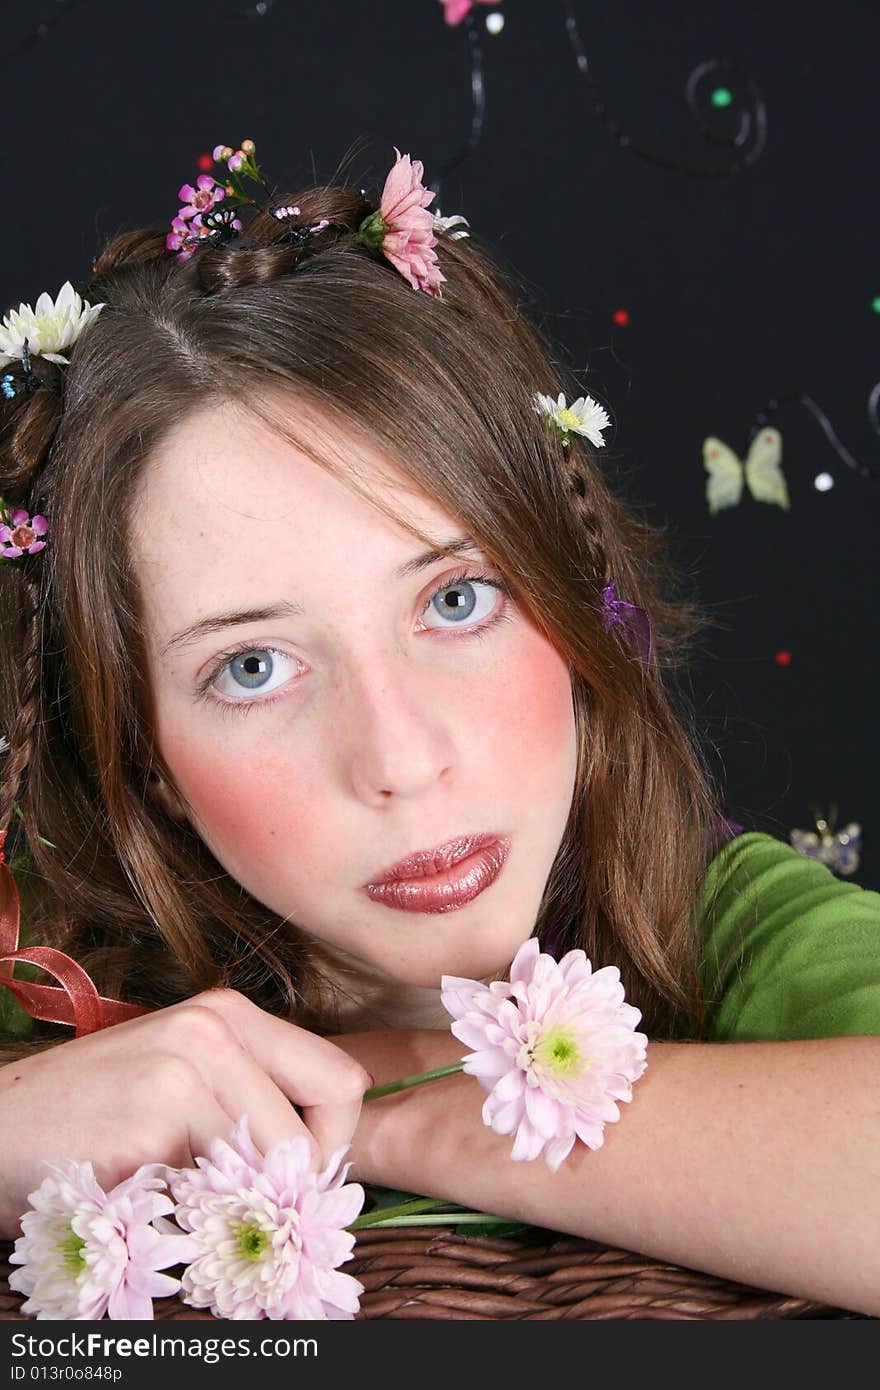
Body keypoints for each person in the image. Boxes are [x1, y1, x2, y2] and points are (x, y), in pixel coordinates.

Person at [0, 142, 878, 1318]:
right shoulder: (38, 965)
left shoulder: (733, 925)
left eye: (455, 600)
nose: (404, 760)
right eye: (253, 667)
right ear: (144, 756)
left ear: (567, 597)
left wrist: (406, 1098)